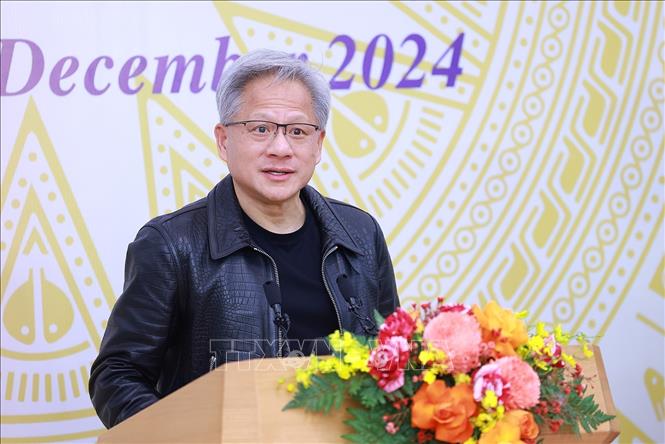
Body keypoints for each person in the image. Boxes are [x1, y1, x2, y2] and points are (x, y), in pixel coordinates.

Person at [89, 49, 399, 429]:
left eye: (298, 131)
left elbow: (394, 354)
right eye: (260, 129)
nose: (281, 148)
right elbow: (117, 375)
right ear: (223, 141)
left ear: (318, 144)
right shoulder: (170, 244)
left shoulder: (360, 233)